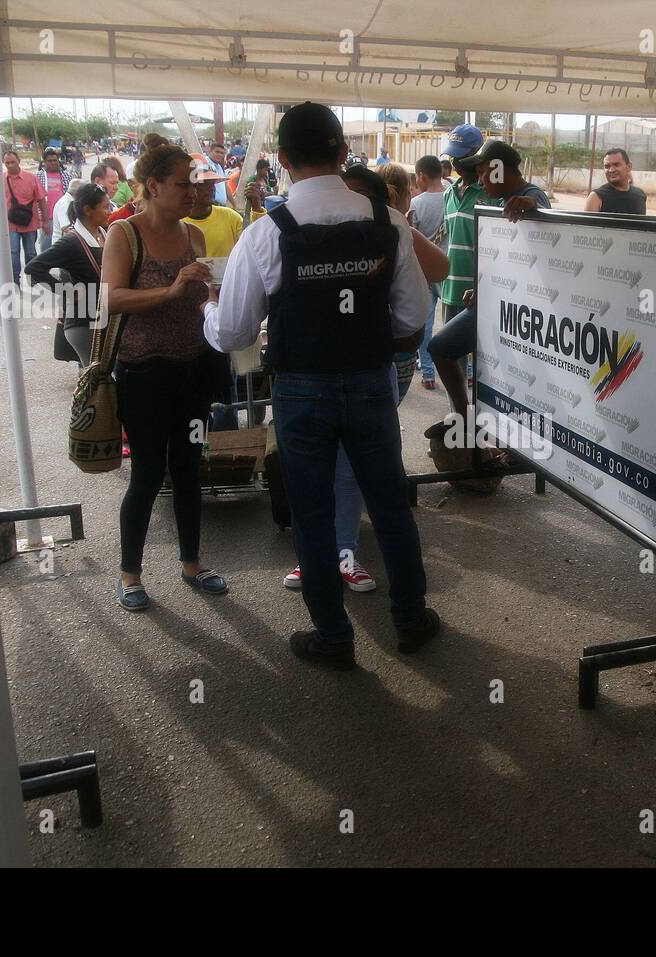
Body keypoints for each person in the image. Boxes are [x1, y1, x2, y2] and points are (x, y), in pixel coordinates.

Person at [202, 102, 438, 670]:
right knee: (388, 505)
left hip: (300, 389)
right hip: (369, 384)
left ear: (281, 160)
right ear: (342, 153)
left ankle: (332, 636)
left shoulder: (264, 234)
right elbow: (413, 317)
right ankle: (410, 619)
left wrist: (206, 312)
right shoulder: (390, 224)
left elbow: (232, 332)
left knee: (309, 513)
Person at [99, 134, 227, 612]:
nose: (192, 193)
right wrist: (172, 291)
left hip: (191, 369)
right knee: (148, 474)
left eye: (194, 185)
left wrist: (216, 297)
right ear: (151, 186)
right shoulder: (124, 234)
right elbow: (108, 298)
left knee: (190, 469)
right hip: (144, 373)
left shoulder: (193, 236)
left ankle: (193, 563)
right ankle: (129, 574)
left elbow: (200, 296)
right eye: (182, 185)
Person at [428, 139, 551, 432]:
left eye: (485, 172)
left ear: (499, 169)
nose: (482, 179)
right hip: (493, 303)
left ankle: (508, 442)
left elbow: (542, 213)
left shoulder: (529, 195)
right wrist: (483, 286)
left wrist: (534, 206)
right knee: (442, 348)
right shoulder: (492, 200)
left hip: (524, 314)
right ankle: (466, 423)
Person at [182, 155, 243, 432]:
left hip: (226, 305)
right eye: (202, 184)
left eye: (212, 184)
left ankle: (225, 436)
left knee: (223, 376)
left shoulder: (229, 217)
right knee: (196, 376)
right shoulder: (179, 226)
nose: (208, 190)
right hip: (190, 310)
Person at [25, 183, 109, 365]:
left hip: (103, 317)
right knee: (95, 379)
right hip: (83, 323)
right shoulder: (71, 242)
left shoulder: (104, 233)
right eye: (104, 207)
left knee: (103, 379)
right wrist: (68, 292)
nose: (109, 211)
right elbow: (33, 268)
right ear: (88, 210)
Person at [435, 124, 487, 401]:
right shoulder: (449, 193)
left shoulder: (490, 194)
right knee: (452, 358)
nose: (455, 162)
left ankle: (483, 419)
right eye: (452, 157)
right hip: (451, 289)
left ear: (477, 155)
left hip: (481, 293)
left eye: (461, 156)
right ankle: (460, 417)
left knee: (483, 362)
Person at [408, 154, 448, 389]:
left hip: (424, 272)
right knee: (457, 321)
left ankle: (429, 374)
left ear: (421, 175)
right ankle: (470, 371)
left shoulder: (417, 204)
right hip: (449, 269)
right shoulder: (453, 198)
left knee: (426, 323)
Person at [3, 150, 48, 284]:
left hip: (30, 223)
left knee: (30, 253)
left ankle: (31, 277)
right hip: (10, 225)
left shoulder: (31, 178)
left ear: (19, 161)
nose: (10, 165)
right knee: (13, 253)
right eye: (7, 163)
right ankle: (15, 280)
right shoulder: (0, 179)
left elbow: (41, 200)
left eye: (13, 162)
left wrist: (45, 222)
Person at [585, 148, 646, 214]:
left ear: (629, 167)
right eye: (607, 166)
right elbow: (585, 224)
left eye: (616, 165)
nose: (611, 170)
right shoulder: (596, 198)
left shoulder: (640, 195)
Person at [36, 148, 69, 247]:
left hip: (64, 217)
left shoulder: (66, 175)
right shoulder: (38, 176)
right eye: (49, 161)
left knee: (64, 247)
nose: (53, 163)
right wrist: (43, 220)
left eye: (55, 160)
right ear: (44, 162)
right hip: (47, 219)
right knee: (46, 248)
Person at [51, 178, 84, 245]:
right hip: (62, 245)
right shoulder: (65, 204)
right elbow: (66, 228)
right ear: (78, 192)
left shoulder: (70, 201)